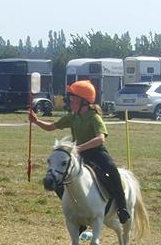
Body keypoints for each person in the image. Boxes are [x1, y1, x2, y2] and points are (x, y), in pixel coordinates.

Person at [29, 80, 131, 224]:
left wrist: (81, 148)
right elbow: (52, 126)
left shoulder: (94, 117)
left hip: (97, 153)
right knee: (59, 179)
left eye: (73, 100)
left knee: (113, 171)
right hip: (79, 155)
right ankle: (75, 211)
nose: (70, 102)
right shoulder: (72, 116)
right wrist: (36, 121)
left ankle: (122, 208)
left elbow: (100, 139)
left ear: (84, 101)